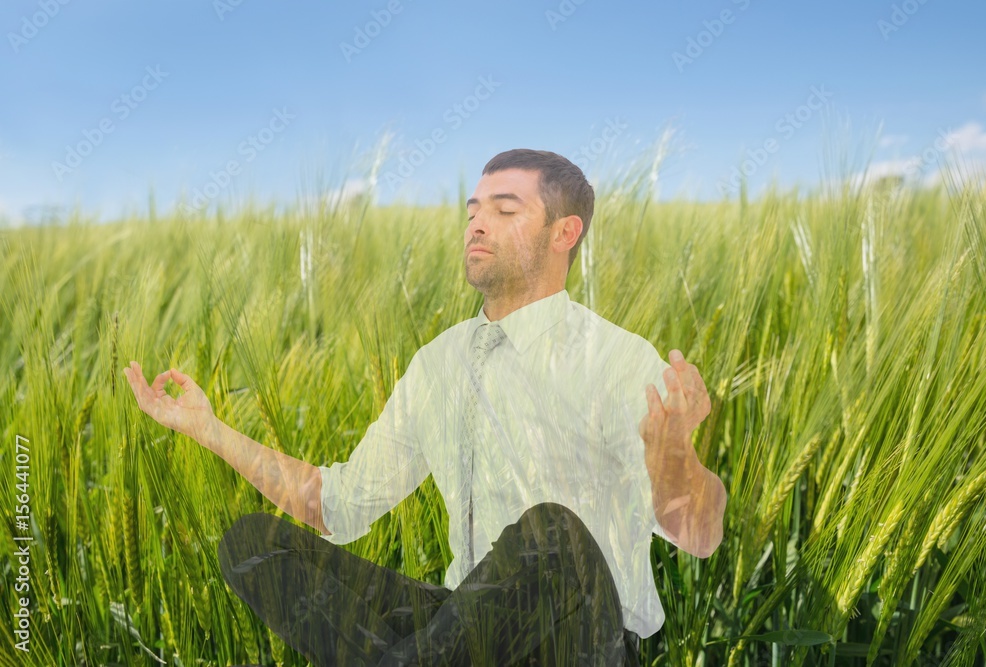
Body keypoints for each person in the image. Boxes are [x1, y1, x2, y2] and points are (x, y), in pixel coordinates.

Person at [123, 148, 727, 666]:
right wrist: (209, 429)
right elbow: (337, 507)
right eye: (473, 212)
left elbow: (699, 536)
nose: (477, 225)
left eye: (504, 210)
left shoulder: (617, 358)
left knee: (555, 533)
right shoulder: (437, 364)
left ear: (564, 232)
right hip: (461, 633)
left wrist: (673, 453)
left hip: (579, 638)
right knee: (252, 545)